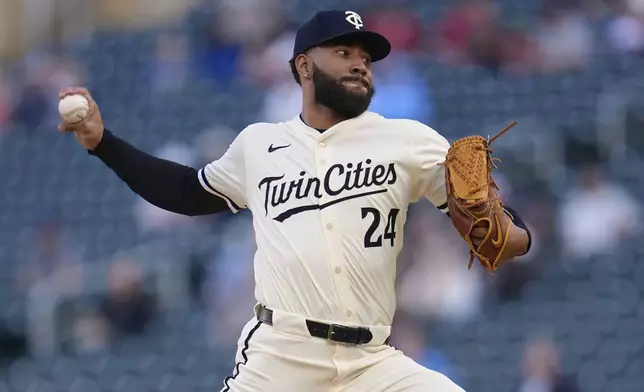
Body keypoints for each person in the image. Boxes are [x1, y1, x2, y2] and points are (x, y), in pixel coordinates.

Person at [58, 9, 531, 392]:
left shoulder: (408, 140)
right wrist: (104, 143)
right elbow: (183, 192)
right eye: (343, 51)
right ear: (303, 65)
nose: (358, 63)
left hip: (371, 363)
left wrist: (509, 234)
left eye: (365, 56)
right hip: (280, 358)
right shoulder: (260, 145)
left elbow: (503, 238)